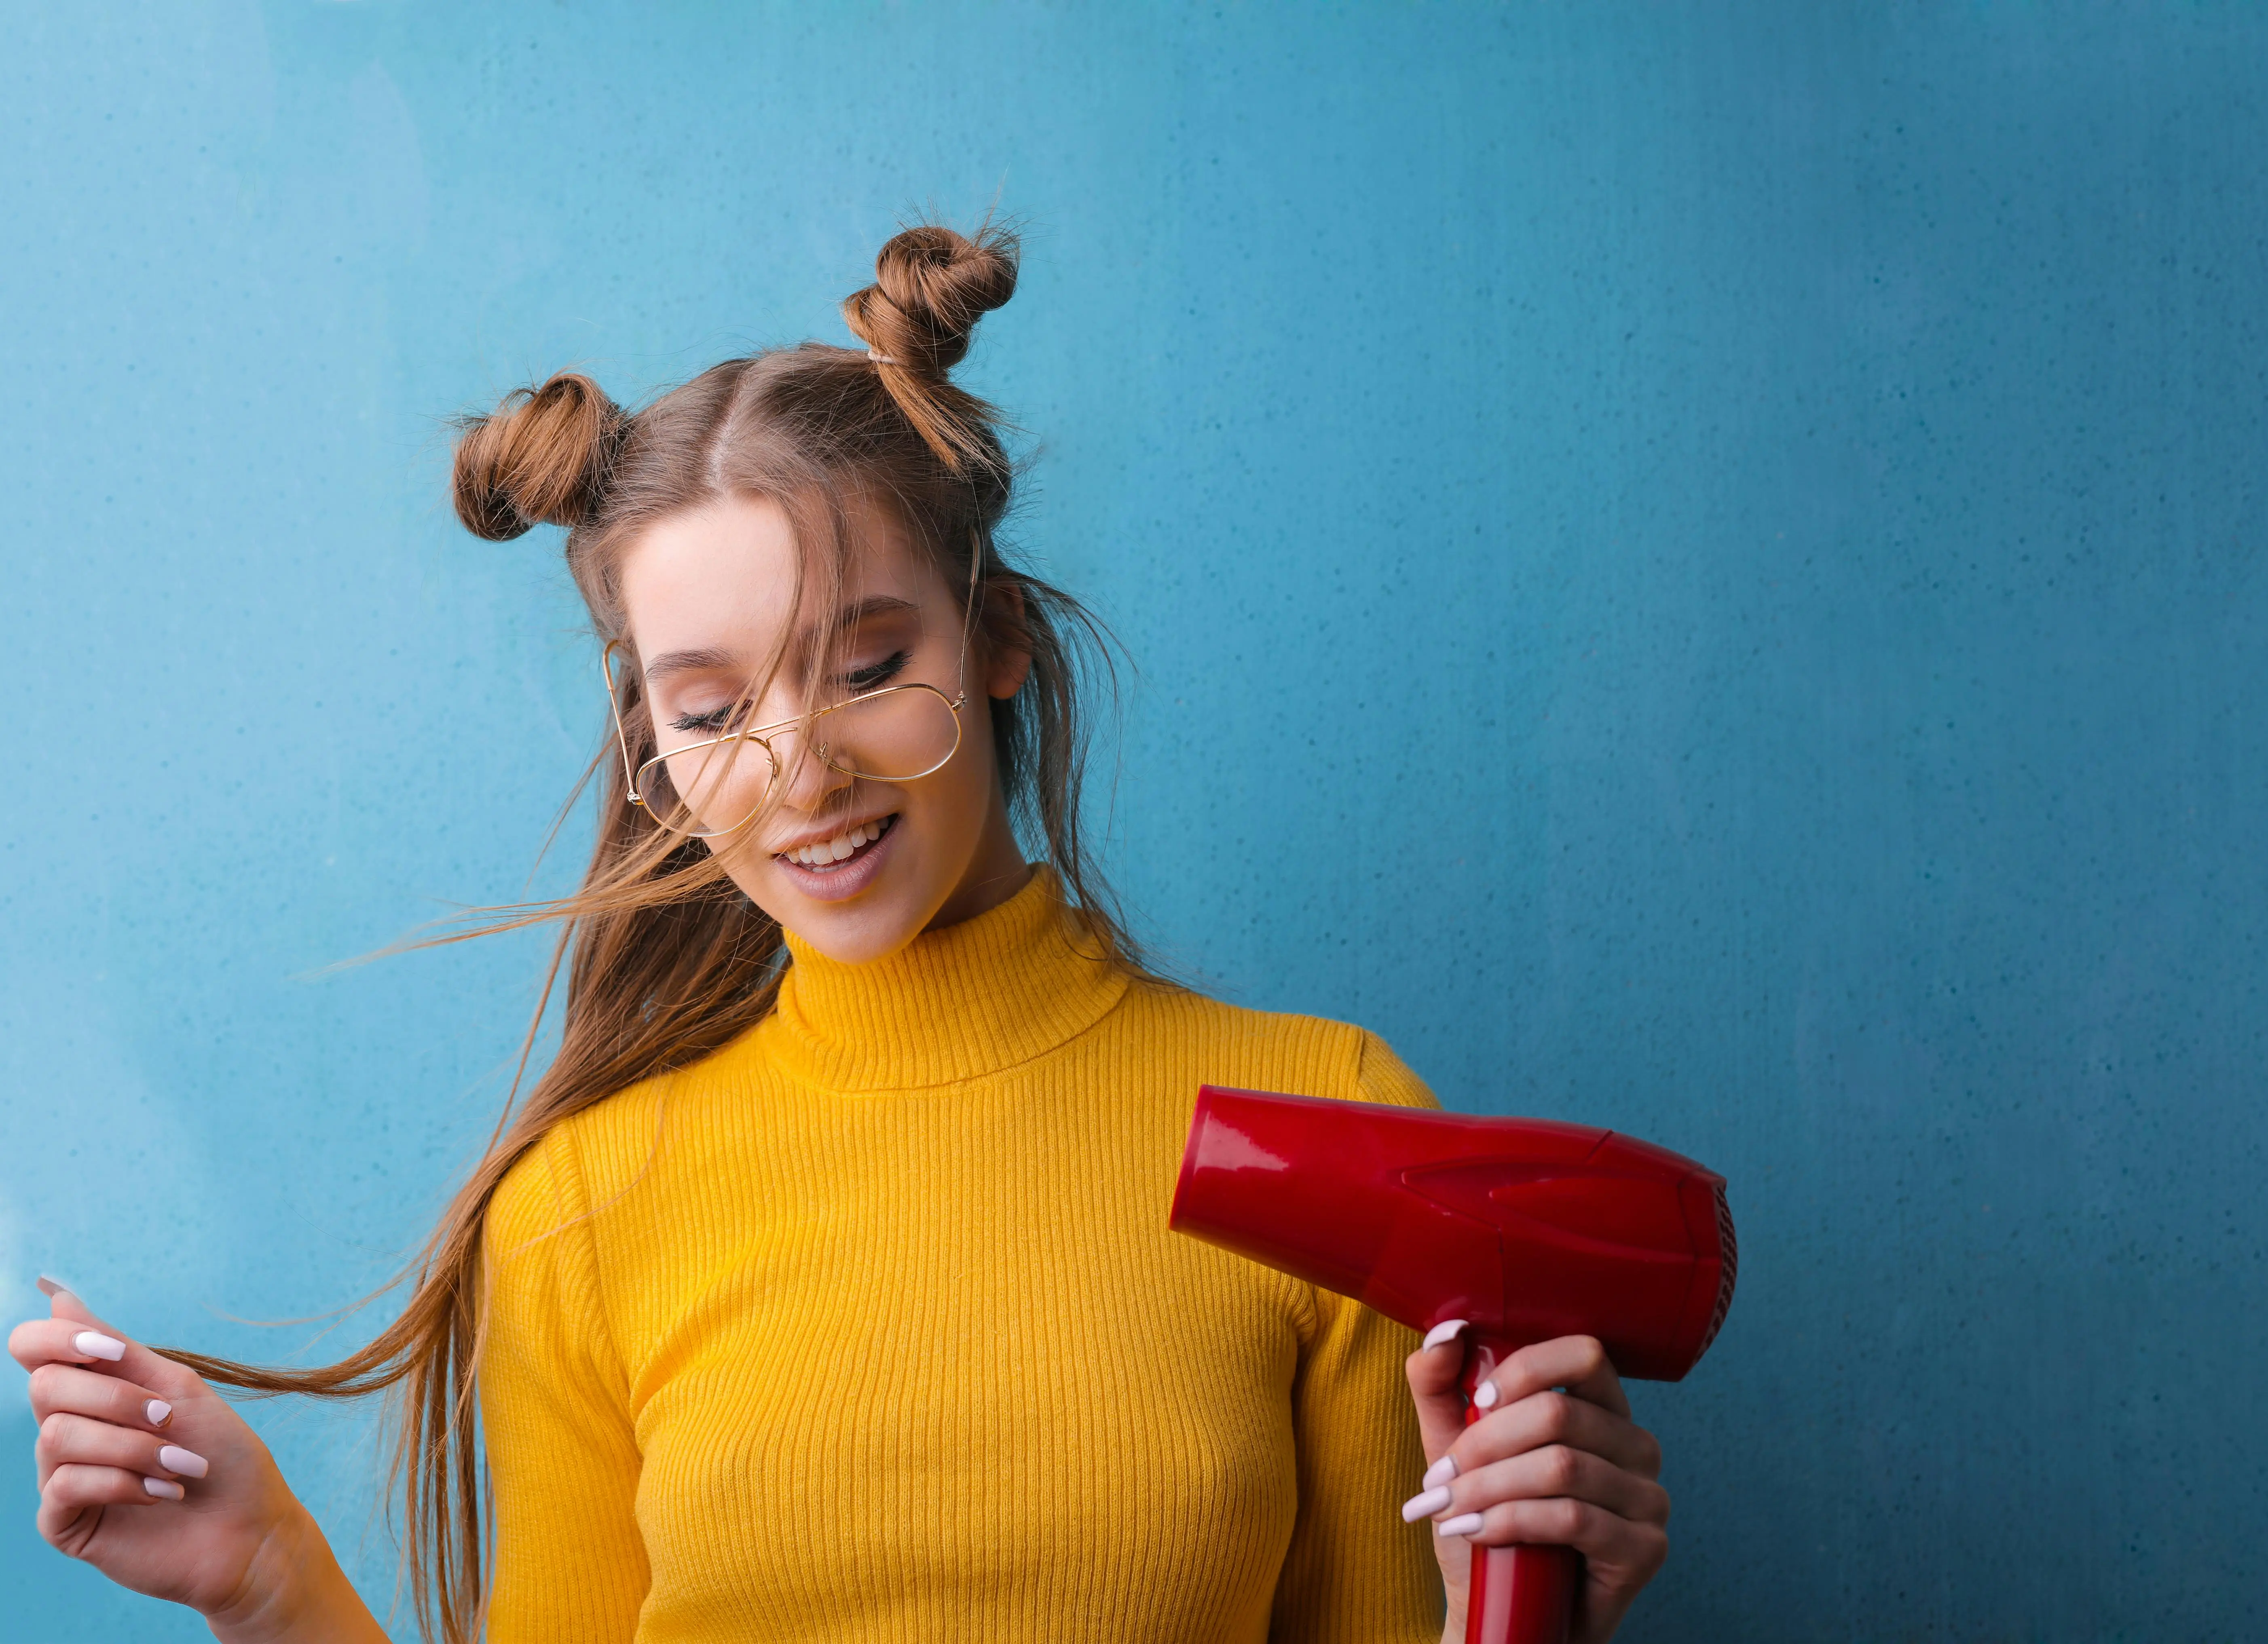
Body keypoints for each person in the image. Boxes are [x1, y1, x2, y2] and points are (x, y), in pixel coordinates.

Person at [8, 223, 1672, 1644]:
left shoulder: (1337, 1123)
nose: (797, 768)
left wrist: (1515, 1598)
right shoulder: (585, 1209)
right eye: (713, 706)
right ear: (653, 739)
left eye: (868, 663)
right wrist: (270, 1583)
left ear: (996, 634)